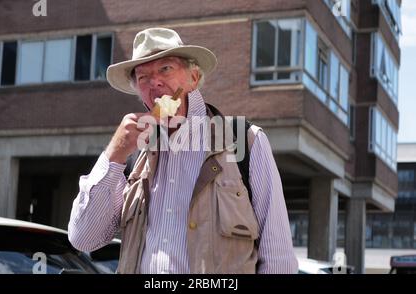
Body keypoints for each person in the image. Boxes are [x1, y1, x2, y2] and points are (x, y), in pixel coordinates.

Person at [68, 27, 298, 274]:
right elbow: (84, 239)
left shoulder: (245, 141)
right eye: (143, 77)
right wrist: (113, 156)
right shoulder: (135, 154)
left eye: (166, 68)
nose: (154, 82)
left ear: (194, 79)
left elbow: (278, 261)